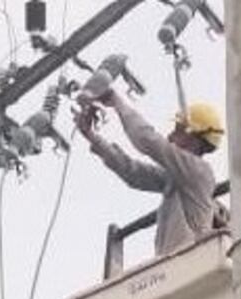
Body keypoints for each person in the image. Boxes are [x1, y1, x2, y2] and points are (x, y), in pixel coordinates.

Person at [76, 92, 224, 256]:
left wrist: (116, 102)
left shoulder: (199, 172)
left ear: (194, 136)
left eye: (178, 130)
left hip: (187, 261)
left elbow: (147, 140)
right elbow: (133, 172)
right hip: (174, 265)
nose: (170, 136)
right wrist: (92, 137)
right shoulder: (176, 178)